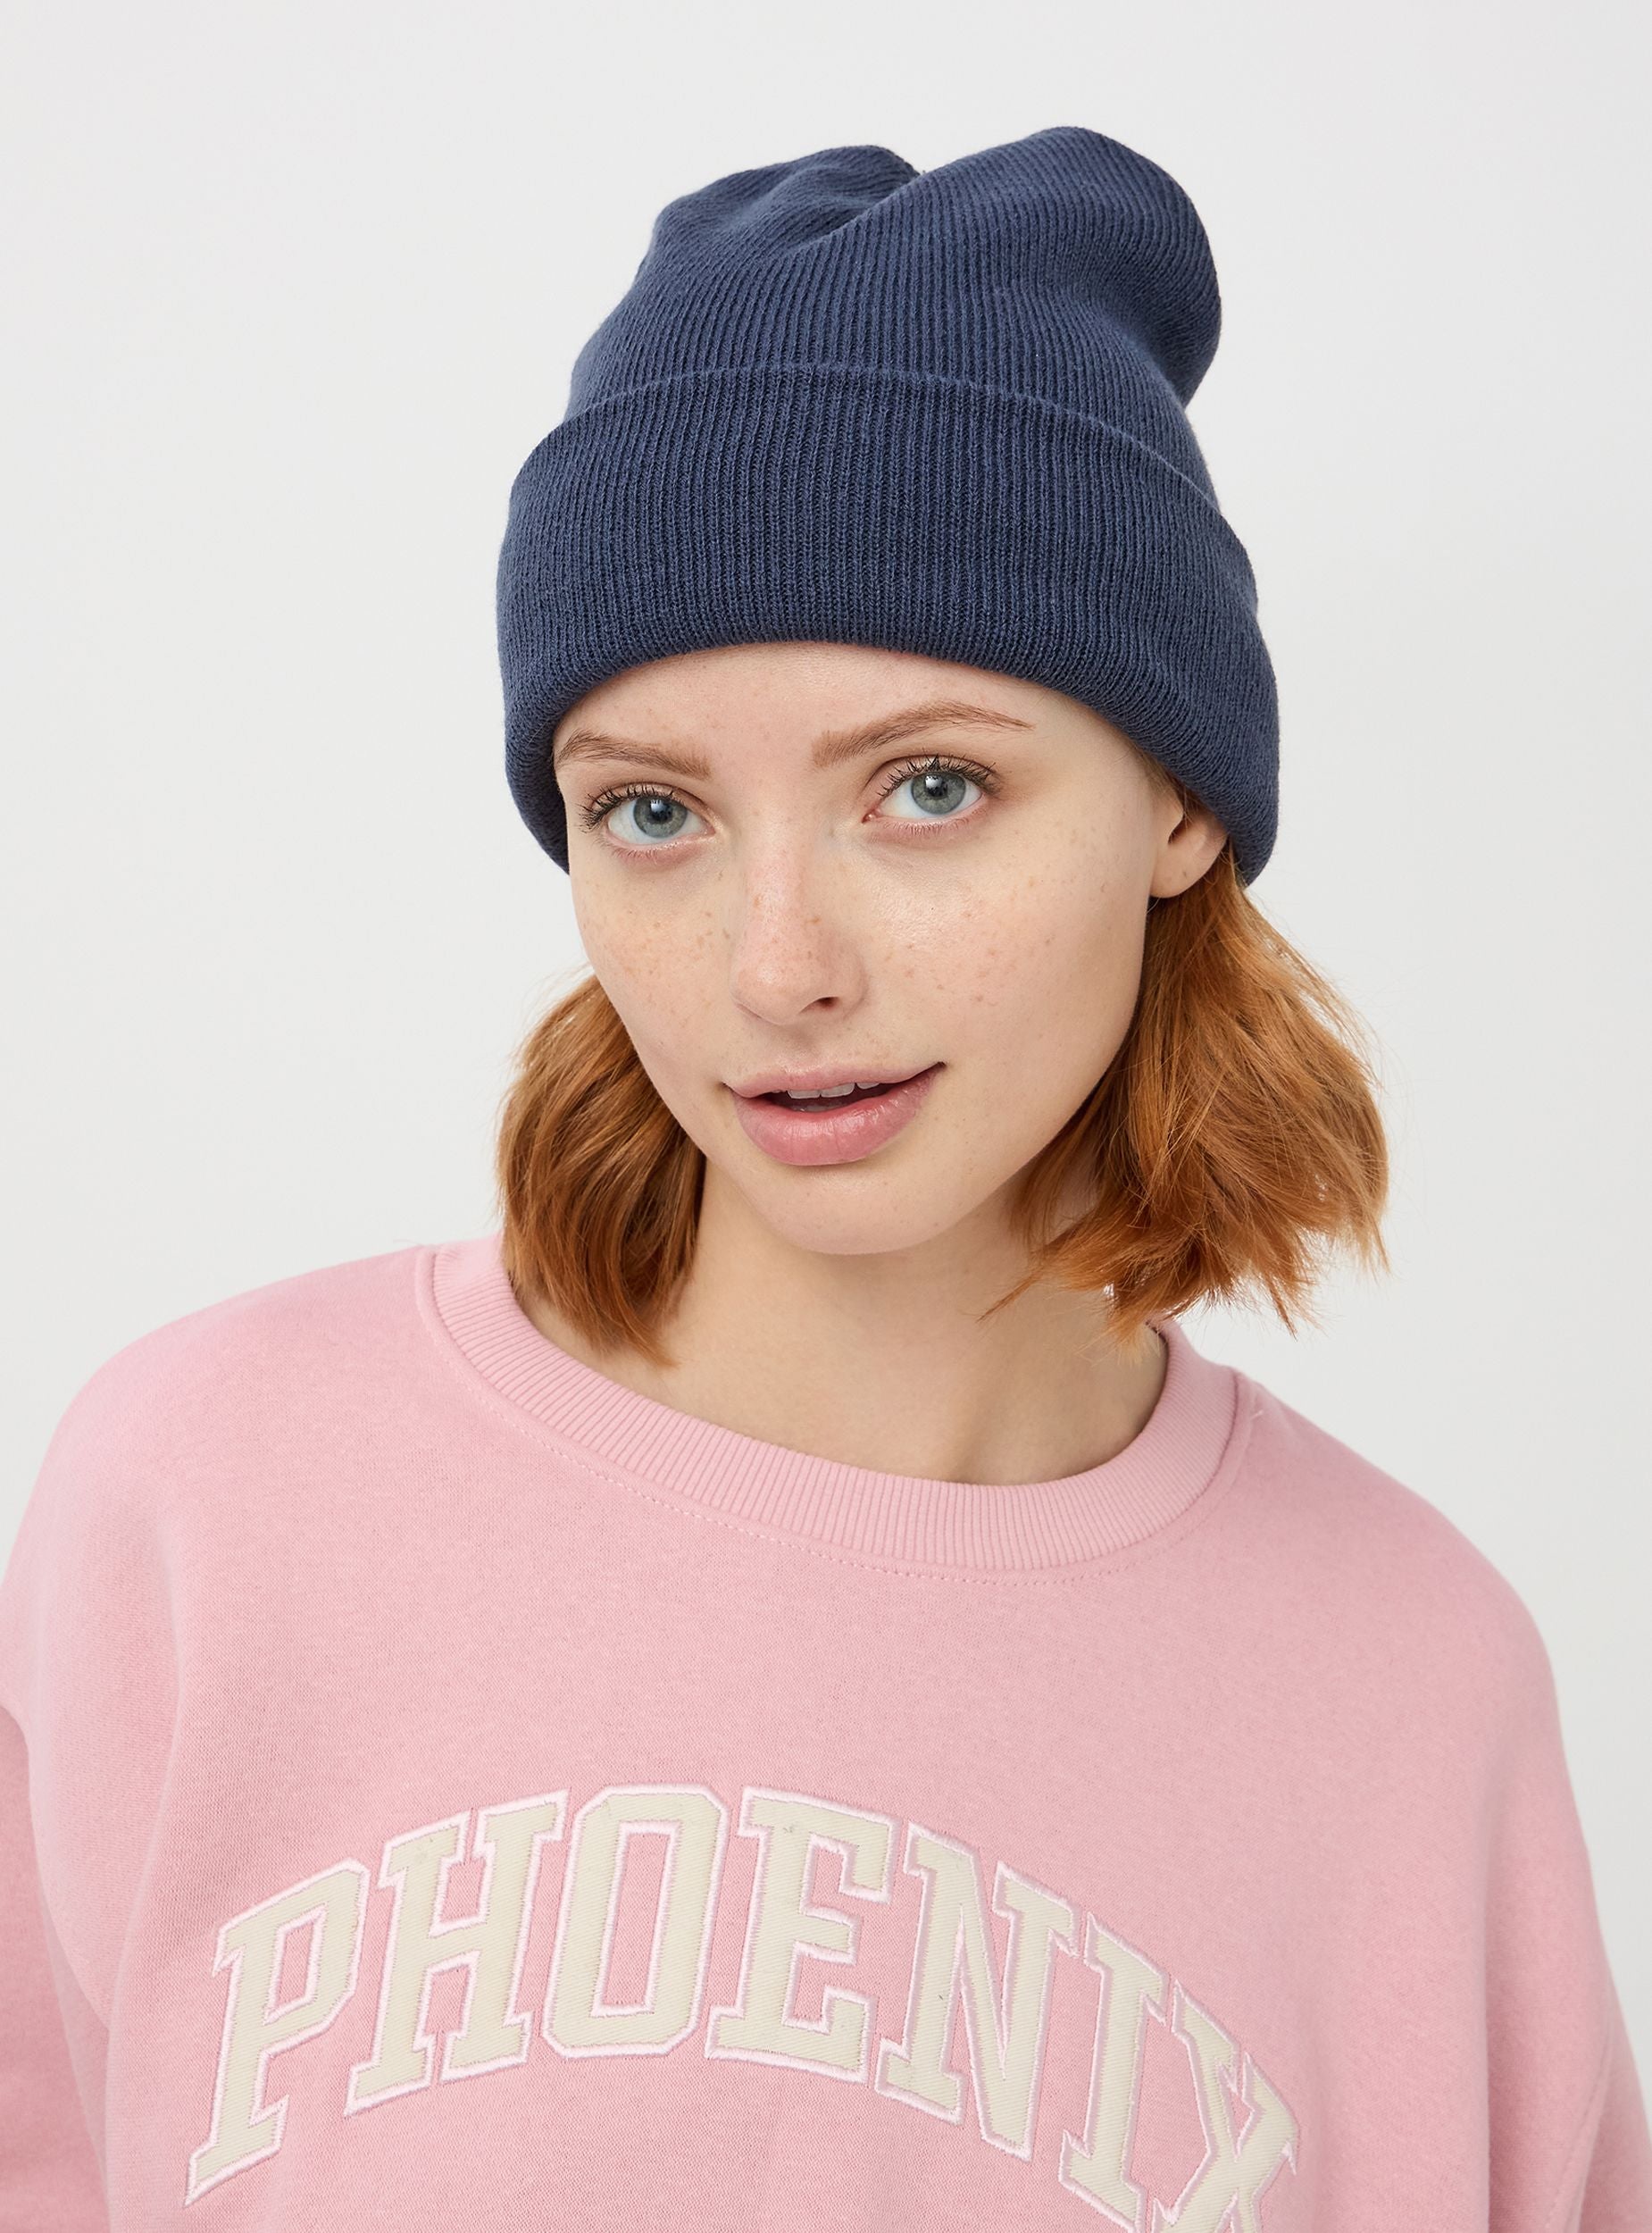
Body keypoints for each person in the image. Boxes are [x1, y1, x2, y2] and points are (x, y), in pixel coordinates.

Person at [2, 126, 1646, 2230]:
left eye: (927, 786)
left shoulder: (1410, 1691)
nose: (777, 966)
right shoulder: (201, 1497)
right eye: (654, 813)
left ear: (1178, 801)